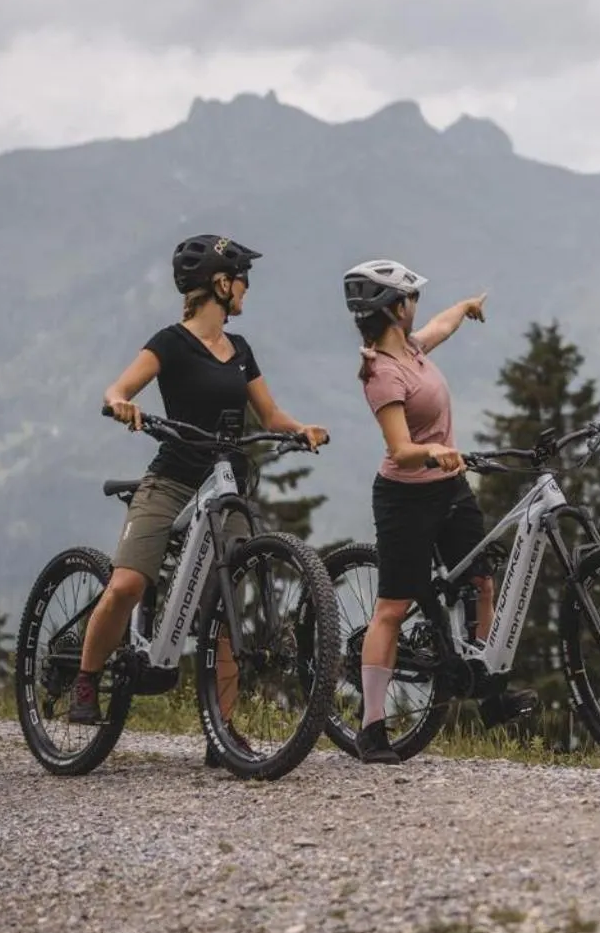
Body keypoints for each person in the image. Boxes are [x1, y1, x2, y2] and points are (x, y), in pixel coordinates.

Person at [70, 234, 329, 766]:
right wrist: (121, 405)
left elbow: (269, 413)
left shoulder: (241, 351)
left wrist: (299, 429)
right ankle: (86, 681)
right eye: (242, 281)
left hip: (226, 483)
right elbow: (117, 390)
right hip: (174, 477)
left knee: (227, 604)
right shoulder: (170, 342)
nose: (247, 291)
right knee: (127, 583)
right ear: (220, 284)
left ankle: (222, 733)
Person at [343, 258, 537, 764]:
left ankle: (490, 694)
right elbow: (401, 447)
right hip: (406, 498)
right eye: (411, 299)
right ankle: (372, 728)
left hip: (451, 489)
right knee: (392, 608)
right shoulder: (381, 373)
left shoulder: (412, 350)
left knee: (480, 581)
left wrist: (465, 307)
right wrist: (433, 452)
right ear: (392, 308)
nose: (417, 307)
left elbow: (440, 328)